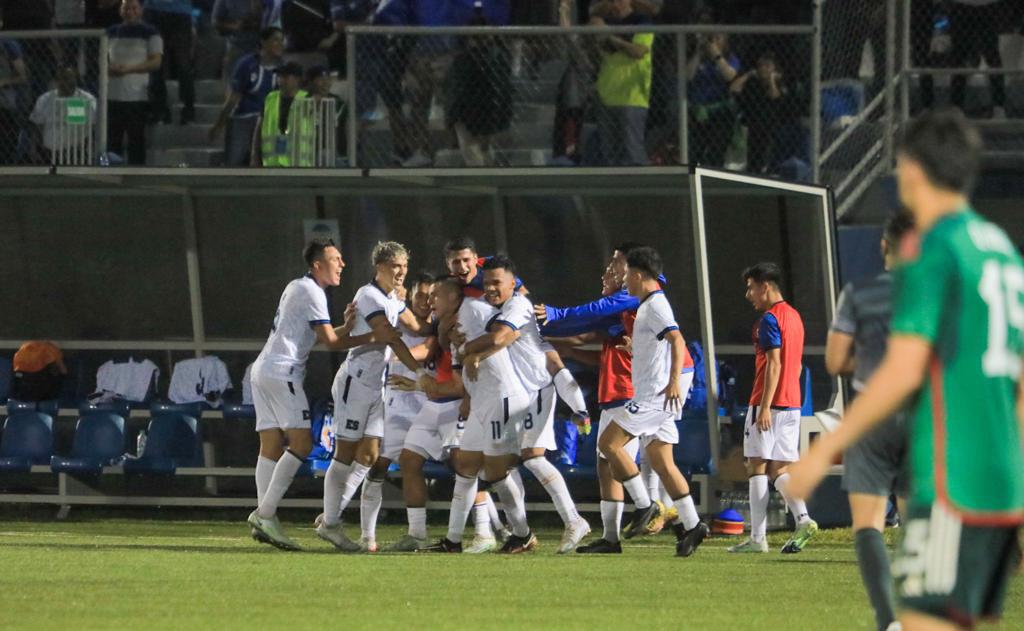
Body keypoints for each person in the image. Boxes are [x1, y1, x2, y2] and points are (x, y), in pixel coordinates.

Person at [788, 108, 1024, 631]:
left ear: (915, 170)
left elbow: (902, 370)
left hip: (952, 470)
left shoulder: (938, 250)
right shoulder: (1003, 250)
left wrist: (824, 449)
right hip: (997, 474)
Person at [538, 243, 676, 553]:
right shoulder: (626, 309)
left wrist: (555, 315)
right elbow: (585, 333)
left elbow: (592, 314)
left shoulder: (634, 299)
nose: (609, 271)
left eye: (615, 265)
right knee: (607, 462)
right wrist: (545, 335)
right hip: (615, 392)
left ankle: (650, 508)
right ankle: (613, 537)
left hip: (631, 392)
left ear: (633, 270)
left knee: (619, 452)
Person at [246, 238, 377, 550]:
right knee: (302, 443)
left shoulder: (298, 286)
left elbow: (322, 336)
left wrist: (345, 328)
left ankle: (266, 518)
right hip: (282, 373)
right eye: (336, 259)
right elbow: (331, 343)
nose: (342, 265)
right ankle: (264, 514)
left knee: (271, 444)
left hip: (263, 369)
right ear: (318, 264)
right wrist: (374, 336)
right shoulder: (312, 292)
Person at [465, 256, 591, 553]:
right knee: (497, 470)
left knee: (532, 458)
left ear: (513, 283)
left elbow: (501, 337)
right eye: (487, 283)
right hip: (519, 395)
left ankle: (574, 521)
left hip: (537, 391)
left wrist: (469, 351)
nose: (491, 288)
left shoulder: (519, 305)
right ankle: (521, 533)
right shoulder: (494, 307)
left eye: (497, 282)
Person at [826, 212, 915, 631]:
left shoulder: (858, 293)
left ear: (884, 245)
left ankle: (889, 620)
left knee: (869, 523)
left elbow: (835, 361)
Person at [316, 241, 431, 552]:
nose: (401, 272)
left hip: (374, 387)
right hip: (355, 383)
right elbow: (390, 337)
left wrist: (446, 326)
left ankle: (359, 533)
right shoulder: (368, 296)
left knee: (369, 457)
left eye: (404, 267)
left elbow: (418, 327)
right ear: (379, 267)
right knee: (344, 455)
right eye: (396, 266)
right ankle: (331, 524)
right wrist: (419, 373)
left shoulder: (393, 298)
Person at [596, 246, 708, 557]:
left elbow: (677, 339)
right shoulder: (648, 305)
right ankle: (694, 524)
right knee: (661, 460)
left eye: (628, 275)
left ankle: (645, 506)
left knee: (609, 445)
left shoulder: (655, 304)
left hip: (654, 396)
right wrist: (635, 348)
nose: (624, 280)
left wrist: (673, 382)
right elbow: (660, 343)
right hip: (657, 394)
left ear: (640, 275)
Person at [421, 265, 536, 554]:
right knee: (466, 466)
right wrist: (457, 347)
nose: (431, 301)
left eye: (436, 295)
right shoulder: (456, 320)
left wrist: (472, 351)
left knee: (496, 473)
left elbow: (507, 336)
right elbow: (460, 359)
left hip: (501, 398)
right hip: (481, 401)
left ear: (451, 296)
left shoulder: (473, 309)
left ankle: (523, 534)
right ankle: (453, 541)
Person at [728, 262, 817, 554]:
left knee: (756, 465)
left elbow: (774, 363)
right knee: (779, 469)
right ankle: (803, 519)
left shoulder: (769, 319)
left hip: (769, 403)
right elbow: (797, 363)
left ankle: (757, 539)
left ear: (765, 286)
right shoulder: (795, 317)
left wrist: (764, 407)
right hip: (792, 404)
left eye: (751, 287)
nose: (748, 294)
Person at [357, 272, 438, 552]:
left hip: (432, 405)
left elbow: (425, 350)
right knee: (378, 466)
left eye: (431, 296)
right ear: (410, 295)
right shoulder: (394, 317)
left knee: (465, 464)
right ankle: (368, 536)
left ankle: (492, 529)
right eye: (420, 295)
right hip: (396, 405)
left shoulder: (440, 327)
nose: (426, 302)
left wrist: (390, 349)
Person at [584, 0, 654, 166]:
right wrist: (592, 31)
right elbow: (594, 53)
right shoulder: (605, 21)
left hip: (632, 95)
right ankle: (614, 190)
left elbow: (639, 51)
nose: (616, 3)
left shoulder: (641, 21)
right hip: (606, 94)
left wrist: (609, 34)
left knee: (632, 151)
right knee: (609, 154)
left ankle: (639, 188)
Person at [209, 26, 283, 166]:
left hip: (269, 123)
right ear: (263, 42)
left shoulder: (282, 69)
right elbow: (233, 98)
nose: (280, 44)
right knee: (234, 162)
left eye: (282, 41)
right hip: (244, 119)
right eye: (276, 40)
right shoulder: (247, 64)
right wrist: (219, 124)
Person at [106, 0, 163, 165]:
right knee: (111, 140)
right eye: (126, 8)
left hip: (137, 96)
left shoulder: (151, 32)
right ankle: (110, 174)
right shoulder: (111, 32)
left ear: (140, 10)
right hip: (113, 95)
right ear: (120, 11)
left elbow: (156, 62)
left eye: (133, 8)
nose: (130, 12)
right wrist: (109, 68)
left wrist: (128, 69)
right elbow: (102, 58)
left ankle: (136, 173)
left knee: (136, 140)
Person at [730, 50, 795, 175]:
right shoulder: (753, 83)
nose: (762, 69)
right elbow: (734, 88)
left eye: (767, 65)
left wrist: (771, 79)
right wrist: (748, 75)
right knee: (751, 162)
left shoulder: (779, 83)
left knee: (766, 160)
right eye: (760, 65)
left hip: (771, 130)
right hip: (753, 128)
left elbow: (774, 96)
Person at [685, 32, 739, 167]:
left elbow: (729, 75)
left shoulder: (730, 58)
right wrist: (698, 53)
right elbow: (687, 76)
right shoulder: (700, 60)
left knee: (716, 152)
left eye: (717, 38)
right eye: (711, 39)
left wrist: (716, 55)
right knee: (694, 151)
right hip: (698, 111)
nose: (713, 42)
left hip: (719, 111)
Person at [949, 0, 1007, 118]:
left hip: (986, 6)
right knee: (959, 57)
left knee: (992, 57)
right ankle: (957, 107)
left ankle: (999, 107)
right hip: (962, 6)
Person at [29, 65, 98, 165]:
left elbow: (90, 129)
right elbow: (36, 127)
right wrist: (35, 149)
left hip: (75, 152)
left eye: (67, 78)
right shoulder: (44, 99)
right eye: (59, 79)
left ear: (76, 79)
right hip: (47, 151)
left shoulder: (86, 99)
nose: (64, 82)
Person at [143, 0, 195, 125]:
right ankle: (160, 111)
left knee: (183, 64)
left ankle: (187, 111)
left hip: (179, 12)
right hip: (155, 11)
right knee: (157, 64)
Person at [251, 62, 309, 167]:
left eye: (286, 77)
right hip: (272, 165)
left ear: (297, 79)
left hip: (299, 165)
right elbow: (258, 129)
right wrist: (254, 156)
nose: (281, 80)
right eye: (279, 76)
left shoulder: (307, 99)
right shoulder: (270, 98)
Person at [212, 0, 264, 82]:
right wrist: (235, 26)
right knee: (233, 82)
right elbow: (216, 22)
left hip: (258, 47)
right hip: (235, 47)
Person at [305, 65, 345, 165]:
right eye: (320, 79)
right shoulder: (303, 100)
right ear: (311, 82)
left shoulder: (338, 101)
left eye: (328, 79)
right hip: (309, 153)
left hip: (334, 153)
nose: (325, 83)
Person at [0, 37, 27, 165]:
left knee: (7, 136)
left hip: (6, 100)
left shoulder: (8, 44)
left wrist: (4, 82)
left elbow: (22, 77)